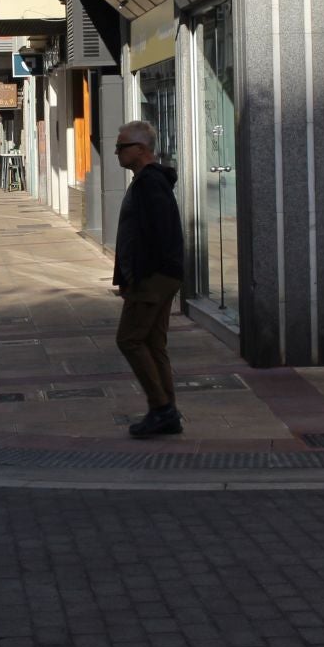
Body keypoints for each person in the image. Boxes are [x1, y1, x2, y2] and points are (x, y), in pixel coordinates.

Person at [111, 120, 186, 438]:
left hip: (152, 278)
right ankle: (167, 409)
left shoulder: (149, 184)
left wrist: (139, 278)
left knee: (129, 339)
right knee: (154, 343)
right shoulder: (148, 180)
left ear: (140, 149)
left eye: (121, 147)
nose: (116, 152)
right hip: (158, 275)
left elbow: (156, 236)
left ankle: (161, 408)